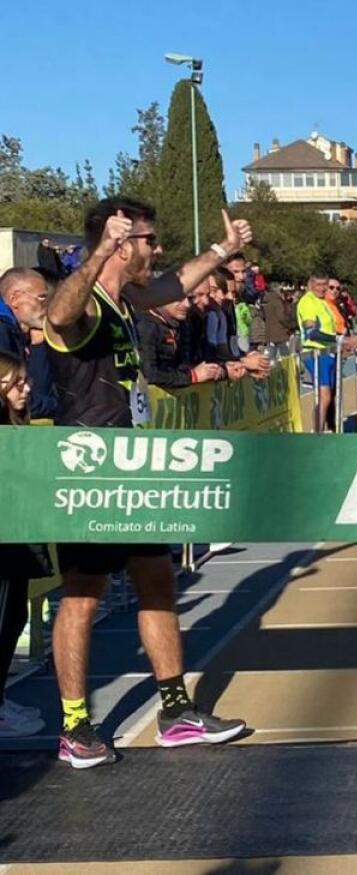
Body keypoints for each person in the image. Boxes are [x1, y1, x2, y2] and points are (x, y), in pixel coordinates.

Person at [42, 198, 251, 768]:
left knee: (158, 579)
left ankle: (176, 711)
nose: (156, 250)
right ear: (117, 243)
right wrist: (97, 255)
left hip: (135, 470)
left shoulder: (127, 299)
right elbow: (57, 316)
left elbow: (172, 284)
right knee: (82, 596)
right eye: (148, 240)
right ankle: (75, 725)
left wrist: (223, 250)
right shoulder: (86, 301)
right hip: (91, 474)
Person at [0, 350, 50, 739]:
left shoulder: (16, 424)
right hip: (4, 540)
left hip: (16, 536)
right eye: (17, 383)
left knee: (13, 617)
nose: (26, 389)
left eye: (26, 381)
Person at [0, 267, 57, 419]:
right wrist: (62, 406)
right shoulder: (2, 331)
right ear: (14, 299)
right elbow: (12, 397)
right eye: (42, 298)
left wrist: (38, 344)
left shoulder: (17, 332)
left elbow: (34, 390)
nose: (48, 306)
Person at [137, 294, 222, 388]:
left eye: (190, 298)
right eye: (178, 299)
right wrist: (192, 376)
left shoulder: (180, 324)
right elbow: (149, 375)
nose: (187, 304)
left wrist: (212, 371)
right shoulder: (146, 327)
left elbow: (180, 366)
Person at [297, 271, 339, 433]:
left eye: (324, 285)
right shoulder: (307, 302)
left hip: (327, 352)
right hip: (315, 352)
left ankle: (321, 428)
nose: (322, 288)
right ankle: (317, 432)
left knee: (327, 396)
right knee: (324, 395)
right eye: (318, 285)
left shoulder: (322, 302)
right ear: (310, 285)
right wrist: (338, 339)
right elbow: (311, 332)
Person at [262, 280, 296, 352]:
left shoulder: (266, 301)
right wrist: (291, 326)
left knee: (271, 356)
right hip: (280, 333)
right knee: (285, 355)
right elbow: (282, 317)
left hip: (269, 333)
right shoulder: (277, 302)